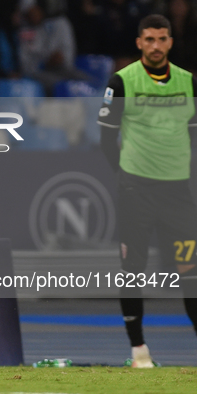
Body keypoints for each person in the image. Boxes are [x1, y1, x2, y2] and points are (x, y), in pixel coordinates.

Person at [98, 14, 197, 368]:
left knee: (191, 271)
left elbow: (192, 132)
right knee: (133, 271)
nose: (156, 46)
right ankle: (139, 351)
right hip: (136, 192)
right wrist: (125, 176)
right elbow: (107, 138)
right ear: (139, 42)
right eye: (149, 40)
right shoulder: (122, 82)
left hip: (177, 195)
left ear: (171, 42)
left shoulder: (189, 82)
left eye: (162, 39)